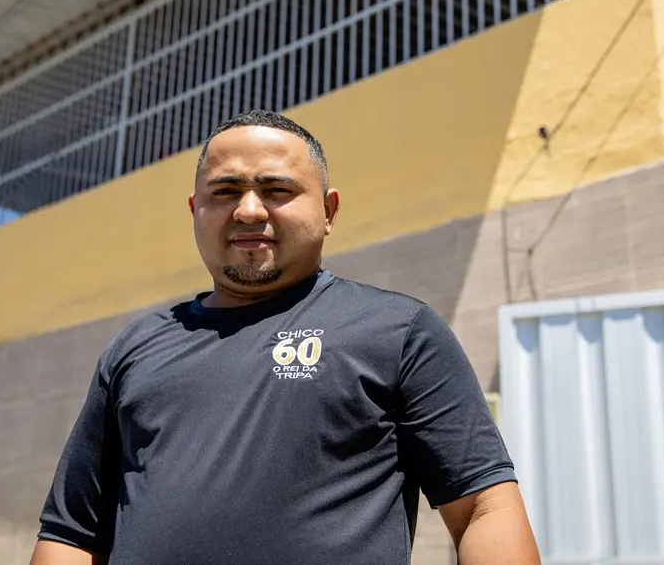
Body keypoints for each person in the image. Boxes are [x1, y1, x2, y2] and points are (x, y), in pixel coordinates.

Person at [30, 110, 540, 565]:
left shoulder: (398, 331)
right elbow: (72, 535)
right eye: (224, 192)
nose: (249, 210)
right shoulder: (135, 348)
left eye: (277, 190)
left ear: (328, 211)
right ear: (194, 210)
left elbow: (483, 507)